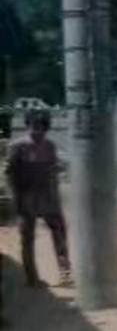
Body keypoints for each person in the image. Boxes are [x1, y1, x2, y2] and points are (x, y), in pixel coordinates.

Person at [5, 108, 71, 288]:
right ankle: (31, 278)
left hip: (48, 197)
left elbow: (53, 172)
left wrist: (56, 197)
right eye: (35, 127)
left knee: (60, 233)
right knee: (27, 238)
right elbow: (10, 174)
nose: (38, 132)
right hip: (26, 198)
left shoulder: (50, 146)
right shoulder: (17, 147)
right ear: (28, 126)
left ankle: (65, 272)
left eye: (42, 128)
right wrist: (16, 200)